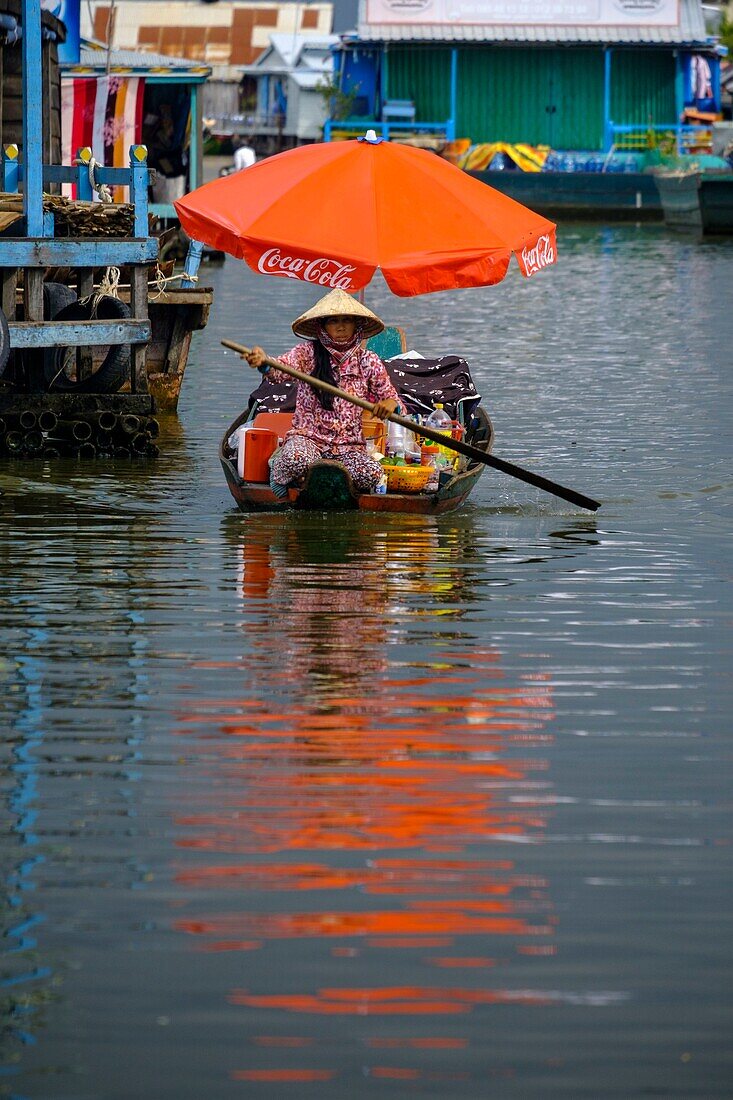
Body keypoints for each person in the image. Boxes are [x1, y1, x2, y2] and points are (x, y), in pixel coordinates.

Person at [243, 288, 399, 495]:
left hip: (348, 446)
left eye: (347, 320)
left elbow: (390, 397)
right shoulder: (307, 353)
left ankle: (327, 485)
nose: (341, 327)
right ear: (323, 326)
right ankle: (280, 472)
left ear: (356, 325)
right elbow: (280, 369)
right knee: (296, 460)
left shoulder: (368, 360)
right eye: (334, 321)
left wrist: (389, 404)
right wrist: (264, 363)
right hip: (308, 439)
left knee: (370, 473)